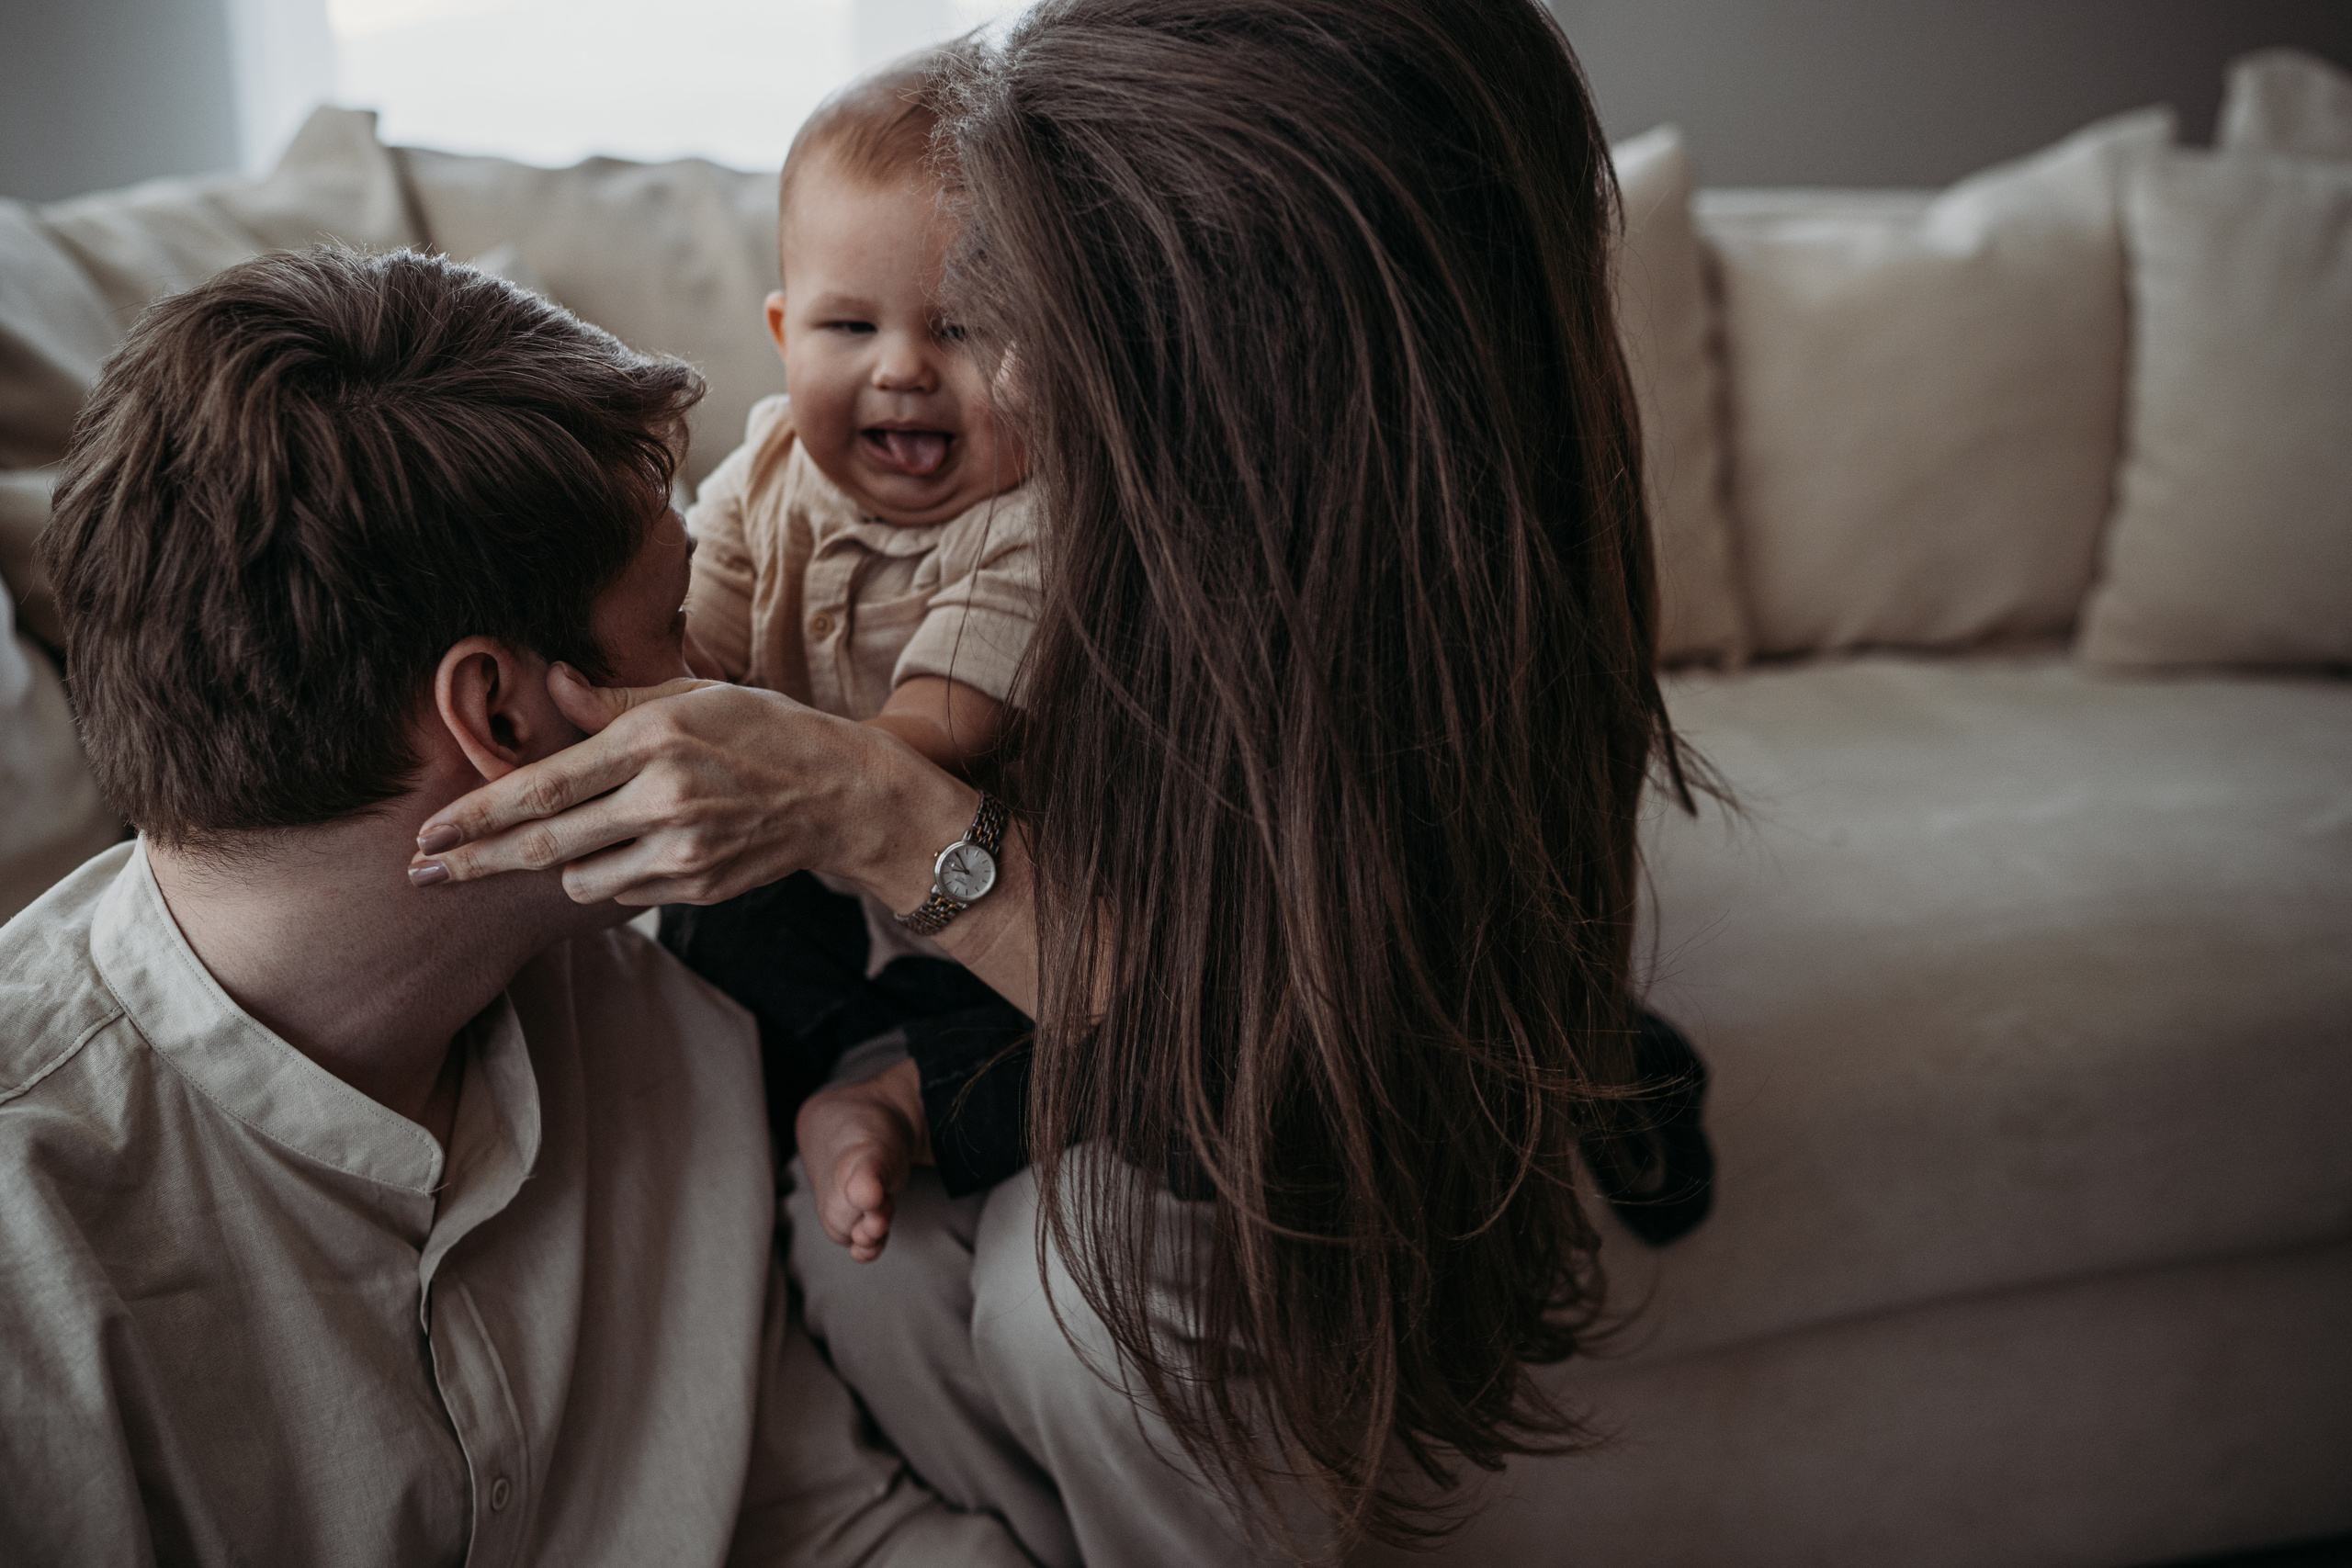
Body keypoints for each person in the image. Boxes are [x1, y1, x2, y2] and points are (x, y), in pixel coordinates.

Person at [408, 0, 1709, 1560]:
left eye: (986, 326)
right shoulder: (791, 476)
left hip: (1239, 1045)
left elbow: (1271, 1047)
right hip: (1048, 993)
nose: (924, 379)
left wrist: (874, 815)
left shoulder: (1341, 574)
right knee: (864, 1273)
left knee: (1068, 1287)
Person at [0, 245, 1032, 1568]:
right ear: (499, 716)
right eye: (678, 626)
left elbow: (819, 1523)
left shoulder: (678, 1010)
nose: (736, 674)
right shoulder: (36, 1233)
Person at [659, 40, 1042, 1259]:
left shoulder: (1033, 517)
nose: (901, 368)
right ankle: (826, 1083)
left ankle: (899, 1108)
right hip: (814, 876)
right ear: (783, 333)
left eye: (961, 328)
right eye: (848, 324)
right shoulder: (765, 468)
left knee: (1072, 1050)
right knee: (704, 932)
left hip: (999, 892)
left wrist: (773, 774)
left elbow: (940, 727)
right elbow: (695, 645)